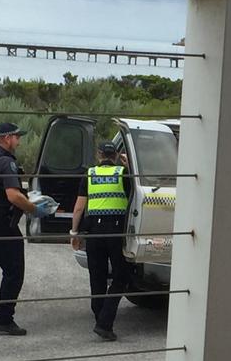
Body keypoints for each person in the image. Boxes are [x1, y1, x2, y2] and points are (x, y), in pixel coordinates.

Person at [0, 122, 50, 336]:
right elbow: (13, 195)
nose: (19, 141)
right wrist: (33, 209)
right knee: (14, 271)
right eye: (17, 137)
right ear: (7, 138)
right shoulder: (6, 162)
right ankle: (4, 318)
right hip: (1, 224)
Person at [70, 141, 131, 341]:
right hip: (115, 231)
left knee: (97, 276)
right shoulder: (122, 173)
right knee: (121, 276)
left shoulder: (90, 174)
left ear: (99, 155)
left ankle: (100, 318)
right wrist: (128, 163)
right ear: (115, 156)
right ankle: (104, 323)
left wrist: (74, 232)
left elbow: (79, 208)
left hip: (94, 232)